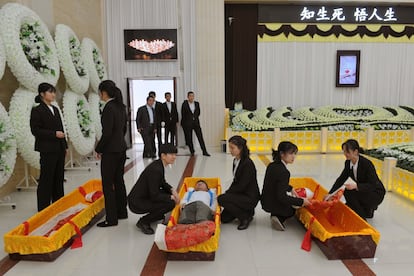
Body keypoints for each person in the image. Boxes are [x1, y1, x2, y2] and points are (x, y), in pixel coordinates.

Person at [95, 80, 128, 227]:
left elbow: (107, 133)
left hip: (111, 151)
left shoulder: (108, 107)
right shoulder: (120, 106)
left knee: (108, 185)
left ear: (104, 92)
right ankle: (122, 212)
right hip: (121, 149)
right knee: (119, 181)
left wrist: (98, 148)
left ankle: (111, 219)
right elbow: (123, 129)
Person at [30, 83, 68, 212]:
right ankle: (44, 209)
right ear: (42, 94)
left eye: (54, 92)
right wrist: (53, 134)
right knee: (47, 179)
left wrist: (65, 146)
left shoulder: (55, 109)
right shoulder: (37, 110)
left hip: (59, 149)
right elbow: (35, 130)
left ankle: (59, 205)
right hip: (47, 149)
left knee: (59, 177)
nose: (53, 94)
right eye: (50, 92)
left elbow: (61, 129)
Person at [127, 144, 180, 234]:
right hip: (137, 202)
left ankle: (157, 215)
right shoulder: (156, 169)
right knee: (169, 203)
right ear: (163, 155)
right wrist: (171, 197)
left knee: (167, 196)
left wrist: (172, 190)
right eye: (171, 154)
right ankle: (143, 222)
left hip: (144, 196)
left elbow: (162, 182)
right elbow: (154, 195)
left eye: (175, 154)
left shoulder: (159, 164)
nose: (174, 157)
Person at [326, 139, 386, 220]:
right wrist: (330, 194)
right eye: (344, 152)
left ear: (355, 151)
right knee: (348, 194)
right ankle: (366, 211)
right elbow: (341, 179)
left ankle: (361, 217)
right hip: (364, 190)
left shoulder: (366, 164)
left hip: (376, 192)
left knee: (349, 193)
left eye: (347, 152)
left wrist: (356, 186)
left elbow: (373, 184)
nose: (345, 154)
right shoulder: (348, 163)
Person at [261, 141, 311, 231]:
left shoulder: (271, 166)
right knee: (292, 210)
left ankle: (274, 213)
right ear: (282, 154)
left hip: (265, 202)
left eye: (294, 154)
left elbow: (275, 183)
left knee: (287, 200)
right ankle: (279, 217)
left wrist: (290, 188)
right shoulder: (284, 172)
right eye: (291, 153)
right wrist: (301, 201)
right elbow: (282, 197)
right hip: (273, 203)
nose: (293, 156)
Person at [217, 135, 260, 230]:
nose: (230, 150)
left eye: (232, 148)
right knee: (224, 218)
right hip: (241, 193)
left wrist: (228, 194)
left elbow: (242, 185)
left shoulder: (247, 164)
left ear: (240, 148)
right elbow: (236, 180)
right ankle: (248, 212)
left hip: (249, 197)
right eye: (230, 147)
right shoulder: (236, 160)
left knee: (221, 199)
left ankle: (245, 217)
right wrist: (229, 193)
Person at [180, 91, 210, 156]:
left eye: (193, 96)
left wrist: (194, 117)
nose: (191, 97)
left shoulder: (197, 103)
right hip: (188, 124)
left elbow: (198, 112)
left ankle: (204, 151)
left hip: (196, 123)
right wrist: (186, 122)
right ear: (188, 97)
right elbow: (183, 114)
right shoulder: (184, 104)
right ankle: (192, 151)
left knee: (200, 137)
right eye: (190, 96)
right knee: (189, 138)